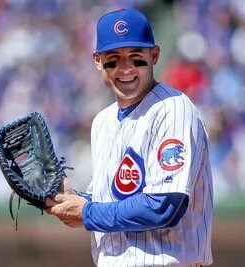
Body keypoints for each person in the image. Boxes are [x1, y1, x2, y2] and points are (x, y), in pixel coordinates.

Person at [45, 8, 214, 266]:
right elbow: (109, 201)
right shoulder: (102, 122)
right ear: (97, 60)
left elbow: (166, 205)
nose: (125, 69)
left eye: (136, 58)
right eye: (114, 59)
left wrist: (87, 213)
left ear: (154, 55)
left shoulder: (173, 109)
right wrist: (68, 200)